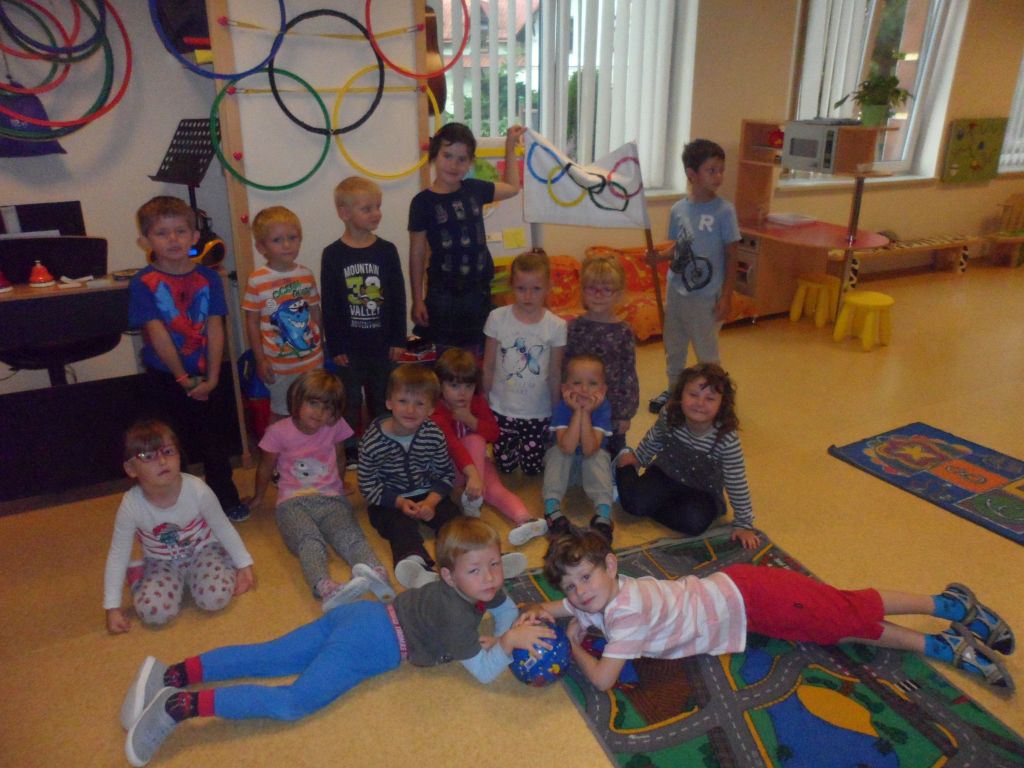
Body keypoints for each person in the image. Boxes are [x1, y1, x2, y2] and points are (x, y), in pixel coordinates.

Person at [120, 518, 557, 768]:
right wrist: (506, 644)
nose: (491, 578)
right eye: (476, 570)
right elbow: (484, 673)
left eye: (495, 565)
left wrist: (515, 622)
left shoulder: (480, 588)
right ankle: (180, 705)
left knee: (271, 655)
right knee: (293, 702)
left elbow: (502, 606)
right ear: (447, 575)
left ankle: (172, 672)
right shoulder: (455, 616)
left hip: (362, 615)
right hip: (373, 644)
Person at [524, 529, 1016, 693]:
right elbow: (561, 606)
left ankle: (949, 605)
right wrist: (535, 612)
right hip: (747, 608)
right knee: (838, 626)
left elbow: (603, 679)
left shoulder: (626, 615)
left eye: (586, 578)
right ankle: (941, 641)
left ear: (612, 565)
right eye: (571, 586)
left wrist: (570, 645)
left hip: (750, 597)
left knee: (847, 612)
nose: (580, 595)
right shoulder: (602, 593)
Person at [128, 196, 249, 522]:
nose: (173, 239)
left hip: (208, 375)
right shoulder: (143, 282)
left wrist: (213, 377)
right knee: (168, 446)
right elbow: (157, 334)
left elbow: (216, 327)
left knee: (215, 442)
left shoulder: (210, 278)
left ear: (195, 236)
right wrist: (182, 378)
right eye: (161, 233)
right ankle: (176, 506)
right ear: (145, 241)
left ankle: (224, 500)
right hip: (165, 377)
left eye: (180, 231)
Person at [358, 365, 526, 588]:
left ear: (431, 408)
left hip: (429, 492)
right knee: (399, 527)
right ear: (389, 402)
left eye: (419, 403)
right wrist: (398, 502)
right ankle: (416, 565)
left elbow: (445, 473)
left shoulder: (433, 434)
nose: (410, 409)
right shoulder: (372, 440)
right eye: (403, 401)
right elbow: (367, 483)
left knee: (455, 522)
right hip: (389, 499)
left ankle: (486, 559)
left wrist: (432, 500)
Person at [249, 370, 395, 611]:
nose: (319, 412)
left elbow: (340, 456)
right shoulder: (278, 431)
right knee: (309, 540)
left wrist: (340, 484)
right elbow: (265, 467)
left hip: (330, 498)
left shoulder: (335, 426)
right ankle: (324, 586)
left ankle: (375, 571)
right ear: (297, 400)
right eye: (313, 403)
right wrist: (258, 497)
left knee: (349, 533)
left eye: (327, 408)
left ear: (335, 412)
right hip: (292, 503)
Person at [103, 419, 254, 634]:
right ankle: (138, 578)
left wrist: (244, 565)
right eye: (148, 456)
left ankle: (222, 562)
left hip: (203, 551)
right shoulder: (131, 505)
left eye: (168, 451)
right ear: (131, 468)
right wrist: (112, 607)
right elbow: (118, 554)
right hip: (160, 561)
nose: (162, 461)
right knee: (153, 612)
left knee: (216, 597)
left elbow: (222, 527)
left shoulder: (197, 489)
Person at [408, 122, 525, 356]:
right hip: (443, 295)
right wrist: (417, 299)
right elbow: (417, 253)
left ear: (470, 162)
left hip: (478, 292)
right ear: (435, 155)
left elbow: (512, 187)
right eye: (447, 156)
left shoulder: (474, 189)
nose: (454, 165)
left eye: (462, 159)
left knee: (477, 355)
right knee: (447, 358)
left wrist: (510, 145)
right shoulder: (422, 203)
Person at [618, 363, 760, 549]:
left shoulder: (726, 439)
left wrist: (743, 523)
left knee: (694, 524)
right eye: (693, 395)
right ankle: (622, 462)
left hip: (702, 489)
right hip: (665, 473)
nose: (700, 403)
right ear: (680, 395)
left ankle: (657, 502)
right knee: (633, 504)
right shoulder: (670, 414)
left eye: (710, 398)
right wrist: (639, 458)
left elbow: (736, 480)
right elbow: (656, 436)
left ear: (722, 404)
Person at [648, 139, 740, 413]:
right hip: (676, 291)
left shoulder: (725, 211)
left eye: (721, 170)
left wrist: (727, 296)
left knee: (706, 353)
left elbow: (732, 256)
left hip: (705, 297)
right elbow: (680, 247)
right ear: (691, 174)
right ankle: (675, 392)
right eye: (711, 170)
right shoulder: (679, 209)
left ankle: (715, 399)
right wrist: (659, 257)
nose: (718, 176)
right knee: (674, 346)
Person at [321, 176, 407, 466]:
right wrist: (336, 346)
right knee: (349, 401)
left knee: (383, 397)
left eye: (378, 207)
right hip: (349, 347)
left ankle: (384, 445)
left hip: (383, 344)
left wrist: (398, 338)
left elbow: (397, 296)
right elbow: (330, 304)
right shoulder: (332, 255)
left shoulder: (387, 250)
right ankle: (349, 448)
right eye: (367, 208)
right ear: (344, 213)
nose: (376, 213)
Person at [431, 347, 548, 546]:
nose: (462, 393)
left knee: (496, 489)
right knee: (475, 441)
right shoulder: (437, 411)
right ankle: (471, 497)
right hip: (451, 468)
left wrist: (469, 419)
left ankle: (525, 519)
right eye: (454, 386)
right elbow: (453, 446)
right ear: (440, 386)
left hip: (478, 465)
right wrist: (473, 476)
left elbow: (494, 433)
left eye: (468, 386)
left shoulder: (476, 402)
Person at [483, 249, 566, 476]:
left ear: (548, 288)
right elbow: (488, 364)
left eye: (536, 289)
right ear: (511, 286)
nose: (528, 296)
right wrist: (484, 398)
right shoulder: (497, 318)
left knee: (533, 469)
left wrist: (556, 410)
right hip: (501, 408)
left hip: (538, 411)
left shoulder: (556, 326)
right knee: (505, 467)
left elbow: (555, 372)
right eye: (521, 289)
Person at [242, 206, 324, 424]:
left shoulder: (306, 274)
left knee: (314, 410)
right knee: (281, 413)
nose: (287, 245)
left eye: (292, 238)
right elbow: (252, 322)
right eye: (277, 240)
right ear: (261, 247)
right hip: (279, 366)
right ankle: (277, 447)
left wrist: (321, 345)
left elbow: (315, 312)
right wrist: (260, 359)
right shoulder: (257, 280)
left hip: (311, 361)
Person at [564, 256, 639, 456]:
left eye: (606, 289)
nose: (598, 295)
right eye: (592, 288)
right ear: (582, 291)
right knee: (577, 450)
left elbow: (628, 374)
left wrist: (625, 414)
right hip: (578, 404)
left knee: (613, 453)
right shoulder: (573, 327)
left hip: (611, 408)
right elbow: (564, 367)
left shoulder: (624, 331)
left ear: (619, 294)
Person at [542, 355, 615, 544]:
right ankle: (552, 509)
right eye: (576, 383)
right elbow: (567, 447)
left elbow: (590, 449)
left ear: (603, 390)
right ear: (564, 388)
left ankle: (603, 515)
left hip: (589, 472)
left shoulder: (603, 408)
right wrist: (577, 412)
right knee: (557, 453)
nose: (584, 389)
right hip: (565, 472)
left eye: (592, 383)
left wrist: (587, 413)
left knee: (598, 456)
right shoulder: (562, 407)